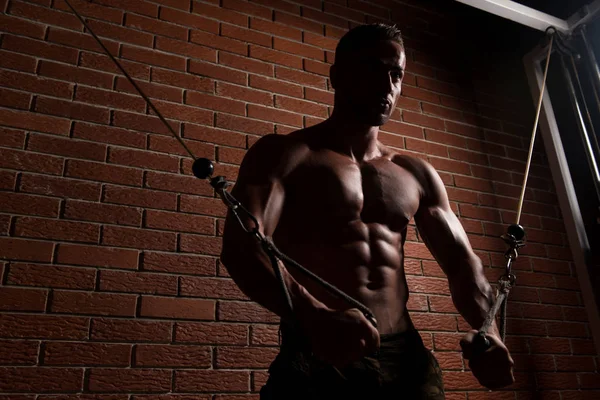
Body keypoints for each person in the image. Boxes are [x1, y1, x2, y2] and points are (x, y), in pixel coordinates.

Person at [220, 23, 514, 400]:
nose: (387, 85)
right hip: (319, 352)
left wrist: (490, 332)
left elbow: (463, 265)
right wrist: (312, 315)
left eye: (396, 74)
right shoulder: (285, 155)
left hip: (405, 357)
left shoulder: (414, 172)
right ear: (337, 76)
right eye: (373, 69)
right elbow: (243, 247)